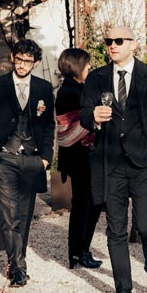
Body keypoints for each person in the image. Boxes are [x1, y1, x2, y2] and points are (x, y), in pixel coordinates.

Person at [79, 26, 147, 293]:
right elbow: (84, 113)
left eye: (119, 41)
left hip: (144, 163)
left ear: (134, 45)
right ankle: (123, 290)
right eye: (109, 41)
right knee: (115, 230)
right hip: (110, 164)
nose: (112, 45)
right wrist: (94, 117)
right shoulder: (97, 78)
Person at [0, 39, 55, 288]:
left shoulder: (44, 88)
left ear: (35, 63)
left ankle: (19, 261)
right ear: (12, 58)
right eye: (19, 59)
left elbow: (50, 125)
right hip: (3, 158)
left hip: (32, 159)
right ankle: (17, 268)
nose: (22, 65)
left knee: (24, 214)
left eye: (28, 61)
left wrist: (46, 158)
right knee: (9, 216)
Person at [55, 48, 104, 270]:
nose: (89, 68)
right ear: (76, 67)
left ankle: (81, 250)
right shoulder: (69, 92)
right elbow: (69, 129)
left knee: (90, 204)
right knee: (85, 205)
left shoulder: (78, 89)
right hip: (79, 158)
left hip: (83, 157)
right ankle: (78, 252)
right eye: (87, 65)